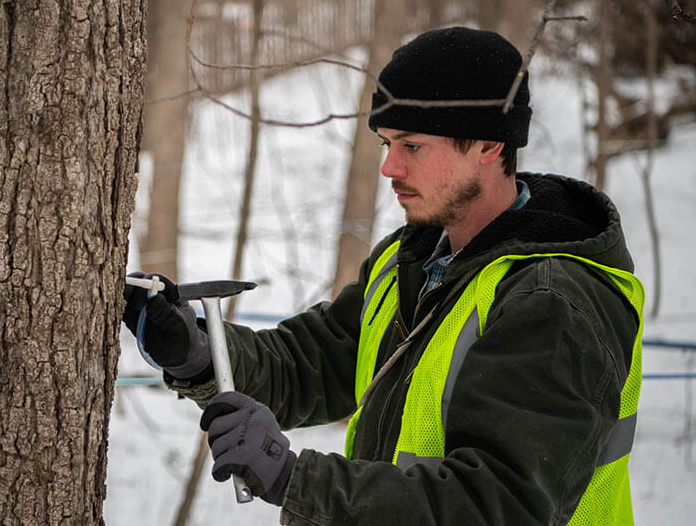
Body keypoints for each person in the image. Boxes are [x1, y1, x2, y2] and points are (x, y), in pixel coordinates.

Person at [122, 27, 644, 526]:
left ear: (489, 145)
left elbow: (496, 507)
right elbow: (316, 364)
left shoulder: (554, 302)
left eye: (412, 146)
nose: (389, 168)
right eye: (385, 143)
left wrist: (295, 480)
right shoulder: (412, 259)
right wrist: (197, 353)